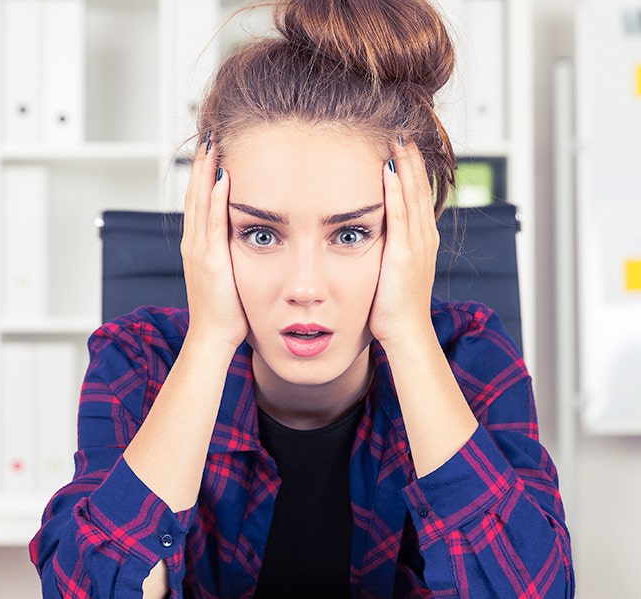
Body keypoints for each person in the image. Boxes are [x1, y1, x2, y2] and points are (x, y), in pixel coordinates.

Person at [30, 0, 573, 596]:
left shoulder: (469, 358)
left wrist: (411, 337)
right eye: (260, 234)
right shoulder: (143, 359)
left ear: (412, 234)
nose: (305, 288)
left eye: (351, 233)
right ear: (210, 232)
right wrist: (209, 341)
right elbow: (90, 588)